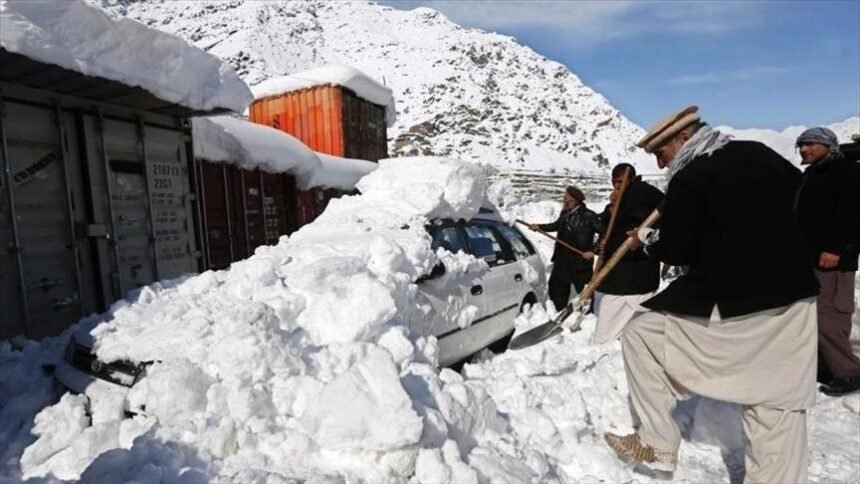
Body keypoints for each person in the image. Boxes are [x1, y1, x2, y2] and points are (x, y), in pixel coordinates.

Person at [603, 106, 819, 483]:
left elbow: (678, 250)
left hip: (735, 307)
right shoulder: (761, 154)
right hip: (794, 299)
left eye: (661, 153)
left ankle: (657, 443)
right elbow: (805, 210)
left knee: (641, 335)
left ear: (684, 139)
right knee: (775, 407)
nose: (661, 162)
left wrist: (647, 239)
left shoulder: (690, 177)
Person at [794, 127, 860, 396]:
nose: (804, 149)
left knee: (831, 315)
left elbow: (853, 215)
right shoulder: (811, 174)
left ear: (828, 145)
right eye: (801, 145)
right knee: (813, 315)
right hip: (811, 258)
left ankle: (849, 372)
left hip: (834, 260)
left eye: (810, 144)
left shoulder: (849, 173)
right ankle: (828, 366)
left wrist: (837, 249)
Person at [592, 163, 664, 344]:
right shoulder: (625, 196)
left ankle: (607, 345)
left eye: (621, 182)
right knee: (615, 318)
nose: (617, 186)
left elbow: (655, 223)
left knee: (620, 323)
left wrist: (641, 235)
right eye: (614, 182)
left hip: (634, 271)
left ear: (631, 179)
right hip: (621, 272)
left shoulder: (641, 194)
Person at [526, 186, 603, 311]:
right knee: (557, 288)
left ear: (573, 200)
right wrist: (539, 227)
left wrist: (594, 251)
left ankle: (586, 317)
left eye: (566, 197)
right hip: (562, 259)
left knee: (584, 292)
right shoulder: (565, 214)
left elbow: (604, 233)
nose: (564, 199)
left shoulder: (589, 216)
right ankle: (557, 313)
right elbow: (555, 225)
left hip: (580, 261)